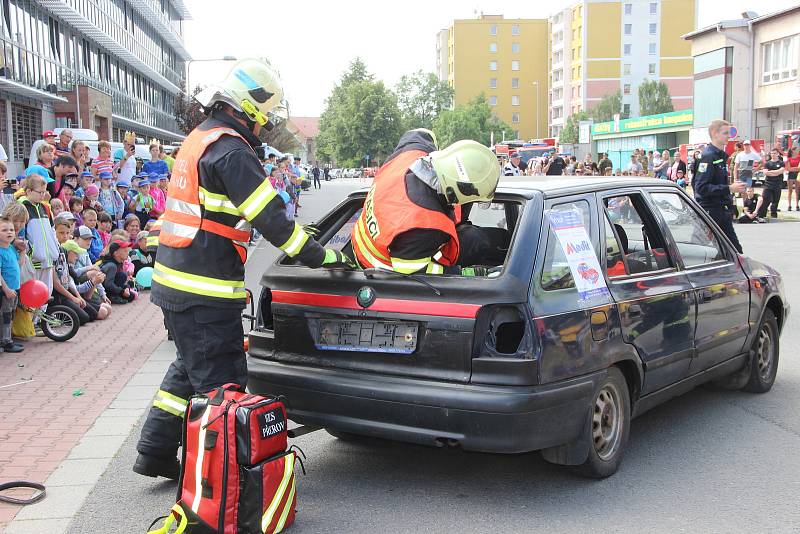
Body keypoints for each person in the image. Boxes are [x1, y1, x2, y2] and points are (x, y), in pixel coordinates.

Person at [134, 58, 353, 480]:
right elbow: (272, 221)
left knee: (188, 368)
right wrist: (323, 256)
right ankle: (221, 481)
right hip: (205, 289)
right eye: (265, 115)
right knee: (222, 385)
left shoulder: (201, 138)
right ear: (249, 109)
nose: (265, 124)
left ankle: (155, 451)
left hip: (177, 282)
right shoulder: (232, 150)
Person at [351, 128, 500, 275]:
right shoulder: (423, 226)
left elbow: (420, 133)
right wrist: (464, 273)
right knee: (478, 241)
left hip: (365, 239)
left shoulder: (411, 152)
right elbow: (412, 273)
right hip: (379, 265)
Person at [693, 119, 746, 253]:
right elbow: (701, 188)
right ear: (714, 133)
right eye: (725, 133)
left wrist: (731, 205)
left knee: (733, 252)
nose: (729, 136)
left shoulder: (720, 156)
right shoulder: (708, 157)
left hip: (721, 210)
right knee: (699, 251)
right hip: (710, 211)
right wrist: (729, 188)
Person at [0, 216, 22, 352]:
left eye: (11, 230)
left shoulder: (11, 249)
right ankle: (5, 342)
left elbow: (19, 265)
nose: (9, 232)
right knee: (5, 315)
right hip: (5, 290)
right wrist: (6, 289)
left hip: (15, 288)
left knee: (11, 314)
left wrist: (23, 251)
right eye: (4, 230)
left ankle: (8, 339)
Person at [758, 148, 784, 219]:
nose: (773, 155)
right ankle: (762, 215)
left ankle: (773, 215)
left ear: (778, 154)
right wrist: (775, 172)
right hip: (768, 184)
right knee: (765, 199)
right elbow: (765, 172)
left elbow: (781, 171)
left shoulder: (781, 163)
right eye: (772, 153)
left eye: (775, 153)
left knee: (775, 201)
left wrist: (771, 172)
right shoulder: (767, 163)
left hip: (777, 184)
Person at [785, 146, 800, 211]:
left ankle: (797, 205)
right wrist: (796, 169)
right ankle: (789, 205)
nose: (798, 151)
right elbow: (788, 169)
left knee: (797, 191)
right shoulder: (789, 159)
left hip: (798, 175)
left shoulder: (799, 157)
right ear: (793, 151)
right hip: (791, 175)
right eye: (797, 150)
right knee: (790, 191)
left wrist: (793, 168)